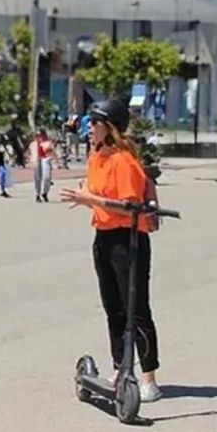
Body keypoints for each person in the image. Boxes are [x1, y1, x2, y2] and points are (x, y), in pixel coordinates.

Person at [60, 98, 163, 402]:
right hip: (103, 238)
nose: (89, 128)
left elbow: (130, 207)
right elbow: (94, 193)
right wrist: (87, 197)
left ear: (110, 127)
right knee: (113, 309)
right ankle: (120, 369)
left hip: (128, 239)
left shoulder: (124, 161)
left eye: (94, 123)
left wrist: (90, 199)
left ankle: (148, 379)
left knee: (136, 309)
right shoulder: (96, 159)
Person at [28, 129, 57, 202]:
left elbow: (53, 152)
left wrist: (54, 159)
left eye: (41, 135)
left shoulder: (48, 143)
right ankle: (38, 194)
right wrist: (29, 160)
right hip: (36, 160)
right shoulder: (33, 144)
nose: (39, 137)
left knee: (46, 177)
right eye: (37, 135)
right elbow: (29, 153)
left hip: (45, 159)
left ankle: (45, 192)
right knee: (37, 178)